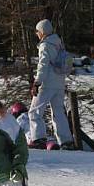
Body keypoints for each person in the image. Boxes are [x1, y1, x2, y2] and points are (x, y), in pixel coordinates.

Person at [28, 19, 75, 150]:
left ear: (42, 32)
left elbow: (42, 65)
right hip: (59, 84)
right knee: (59, 112)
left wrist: (37, 82)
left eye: (37, 31)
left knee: (34, 111)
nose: (37, 34)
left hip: (46, 84)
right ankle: (66, 141)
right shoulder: (59, 43)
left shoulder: (45, 45)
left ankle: (38, 139)